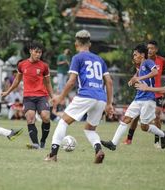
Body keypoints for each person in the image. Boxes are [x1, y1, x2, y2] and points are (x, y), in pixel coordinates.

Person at [44, 30, 114, 164]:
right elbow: (109, 82)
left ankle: (53, 154)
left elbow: (71, 81)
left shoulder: (77, 58)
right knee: (89, 129)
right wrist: (109, 104)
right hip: (101, 97)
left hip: (86, 95)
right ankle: (98, 150)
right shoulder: (100, 59)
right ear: (90, 44)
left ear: (76, 44)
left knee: (63, 121)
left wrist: (60, 97)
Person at [101, 43, 165, 151]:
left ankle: (163, 134)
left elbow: (155, 72)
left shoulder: (148, 62)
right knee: (125, 119)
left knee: (144, 127)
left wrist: (139, 77)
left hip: (148, 99)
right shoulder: (141, 66)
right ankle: (113, 143)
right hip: (138, 98)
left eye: (135, 54)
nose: (134, 57)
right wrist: (134, 78)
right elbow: (138, 74)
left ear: (142, 54)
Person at [1, 42, 54, 149]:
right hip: (28, 97)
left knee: (45, 117)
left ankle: (43, 141)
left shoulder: (44, 66)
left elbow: (48, 83)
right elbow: (16, 81)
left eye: (40, 52)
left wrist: (52, 97)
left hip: (41, 96)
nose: (38, 54)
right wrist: (7, 92)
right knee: (30, 118)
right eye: (36, 52)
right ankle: (36, 144)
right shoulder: (22, 65)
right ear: (30, 51)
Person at [123, 40, 165, 148]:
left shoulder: (161, 60)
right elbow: (138, 73)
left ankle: (157, 140)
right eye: (148, 48)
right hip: (143, 92)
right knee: (135, 117)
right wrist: (133, 79)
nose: (150, 50)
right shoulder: (143, 61)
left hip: (157, 92)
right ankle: (129, 139)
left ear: (156, 50)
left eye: (152, 48)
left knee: (157, 117)